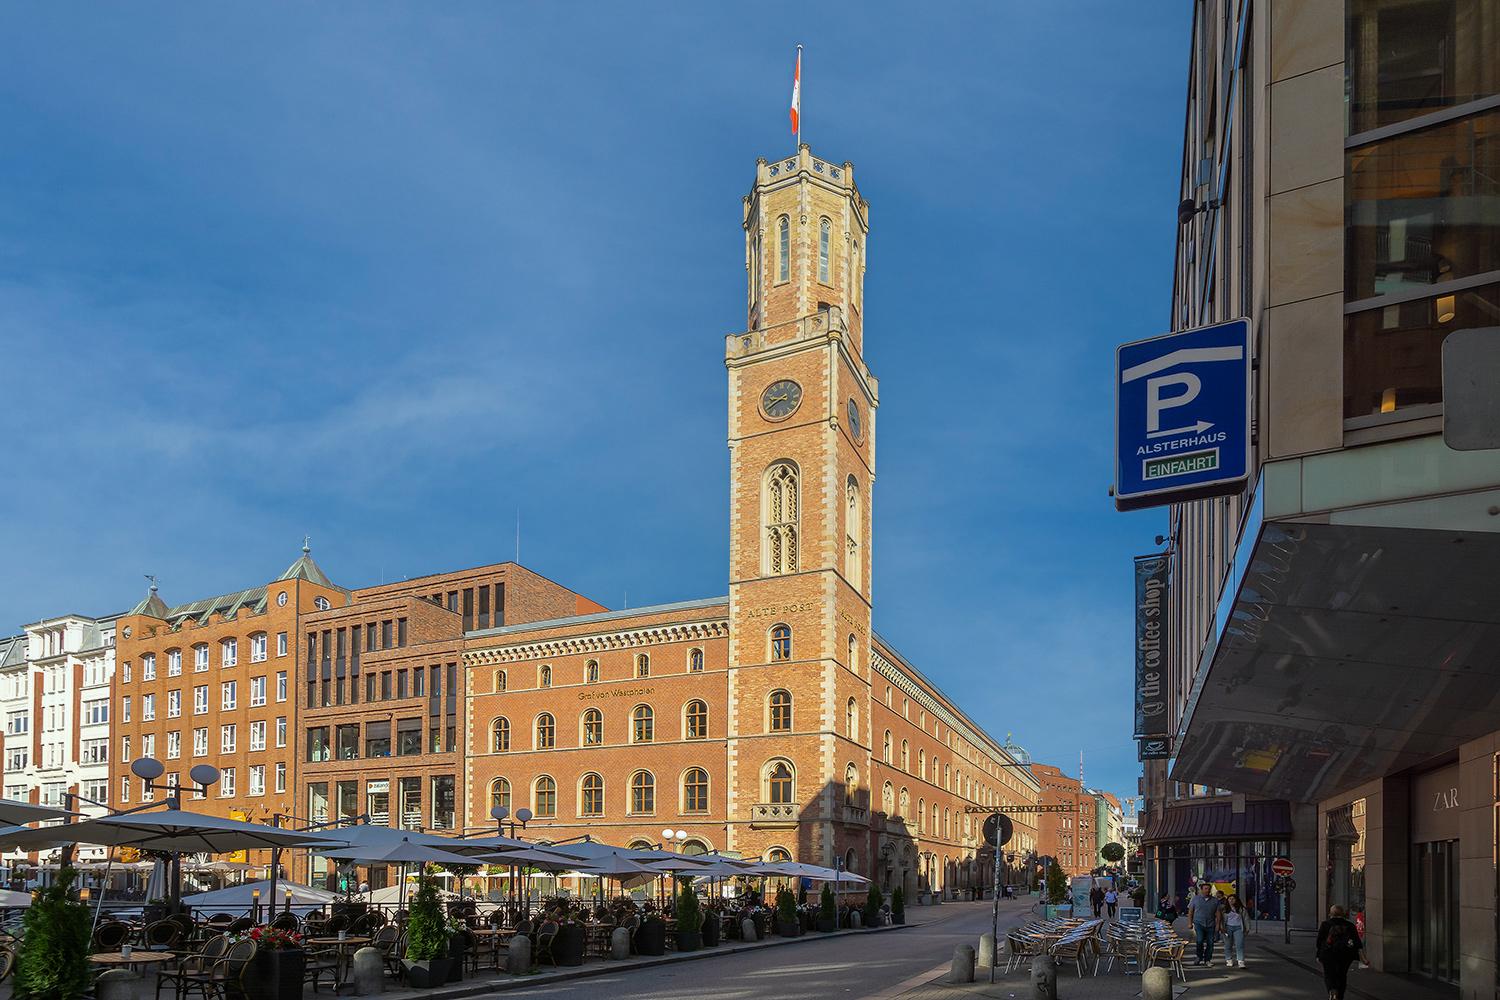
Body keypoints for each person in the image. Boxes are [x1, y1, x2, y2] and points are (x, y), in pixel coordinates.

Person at [1316, 904, 1368, 999]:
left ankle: (1332, 990)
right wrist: (1362, 957)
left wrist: (1318, 955)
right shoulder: (1350, 925)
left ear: (1330, 914)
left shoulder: (1325, 924)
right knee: (1342, 975)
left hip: (1328, 954)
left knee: (1329, 974)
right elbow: (1357, 942)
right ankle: (1340, 996)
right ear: (1343, 914)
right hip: (1345, 955)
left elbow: (1319, 941)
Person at [1188, 883, 1222, 966]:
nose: (1207, 890)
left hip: (1211, 924)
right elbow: (1190, 911)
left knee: (1210, 942)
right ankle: (1199, 957)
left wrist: (1218, 925)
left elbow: (1218, 913)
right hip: (1199, 923)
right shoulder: (1195, 899)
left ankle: (1208, 959)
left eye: (1208, 889)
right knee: (1199, 941)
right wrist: (1190, 923)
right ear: (1201, 890)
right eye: (1205, 888)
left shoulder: (1215, 900)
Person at [1222, 892, 1248, 967]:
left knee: (1239, 944)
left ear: (1236, 900)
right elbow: (1221, 919)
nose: (1231, 900)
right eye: (1230, 899)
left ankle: (1240, 960)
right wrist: (1222, 928)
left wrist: (1247, 928)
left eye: (1233, 899)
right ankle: (1229, 959)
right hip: (1228, 927)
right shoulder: (1224, 909)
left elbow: (1246, 919)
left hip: (1239, 928)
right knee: (1228, 944)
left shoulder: (1241, 909)